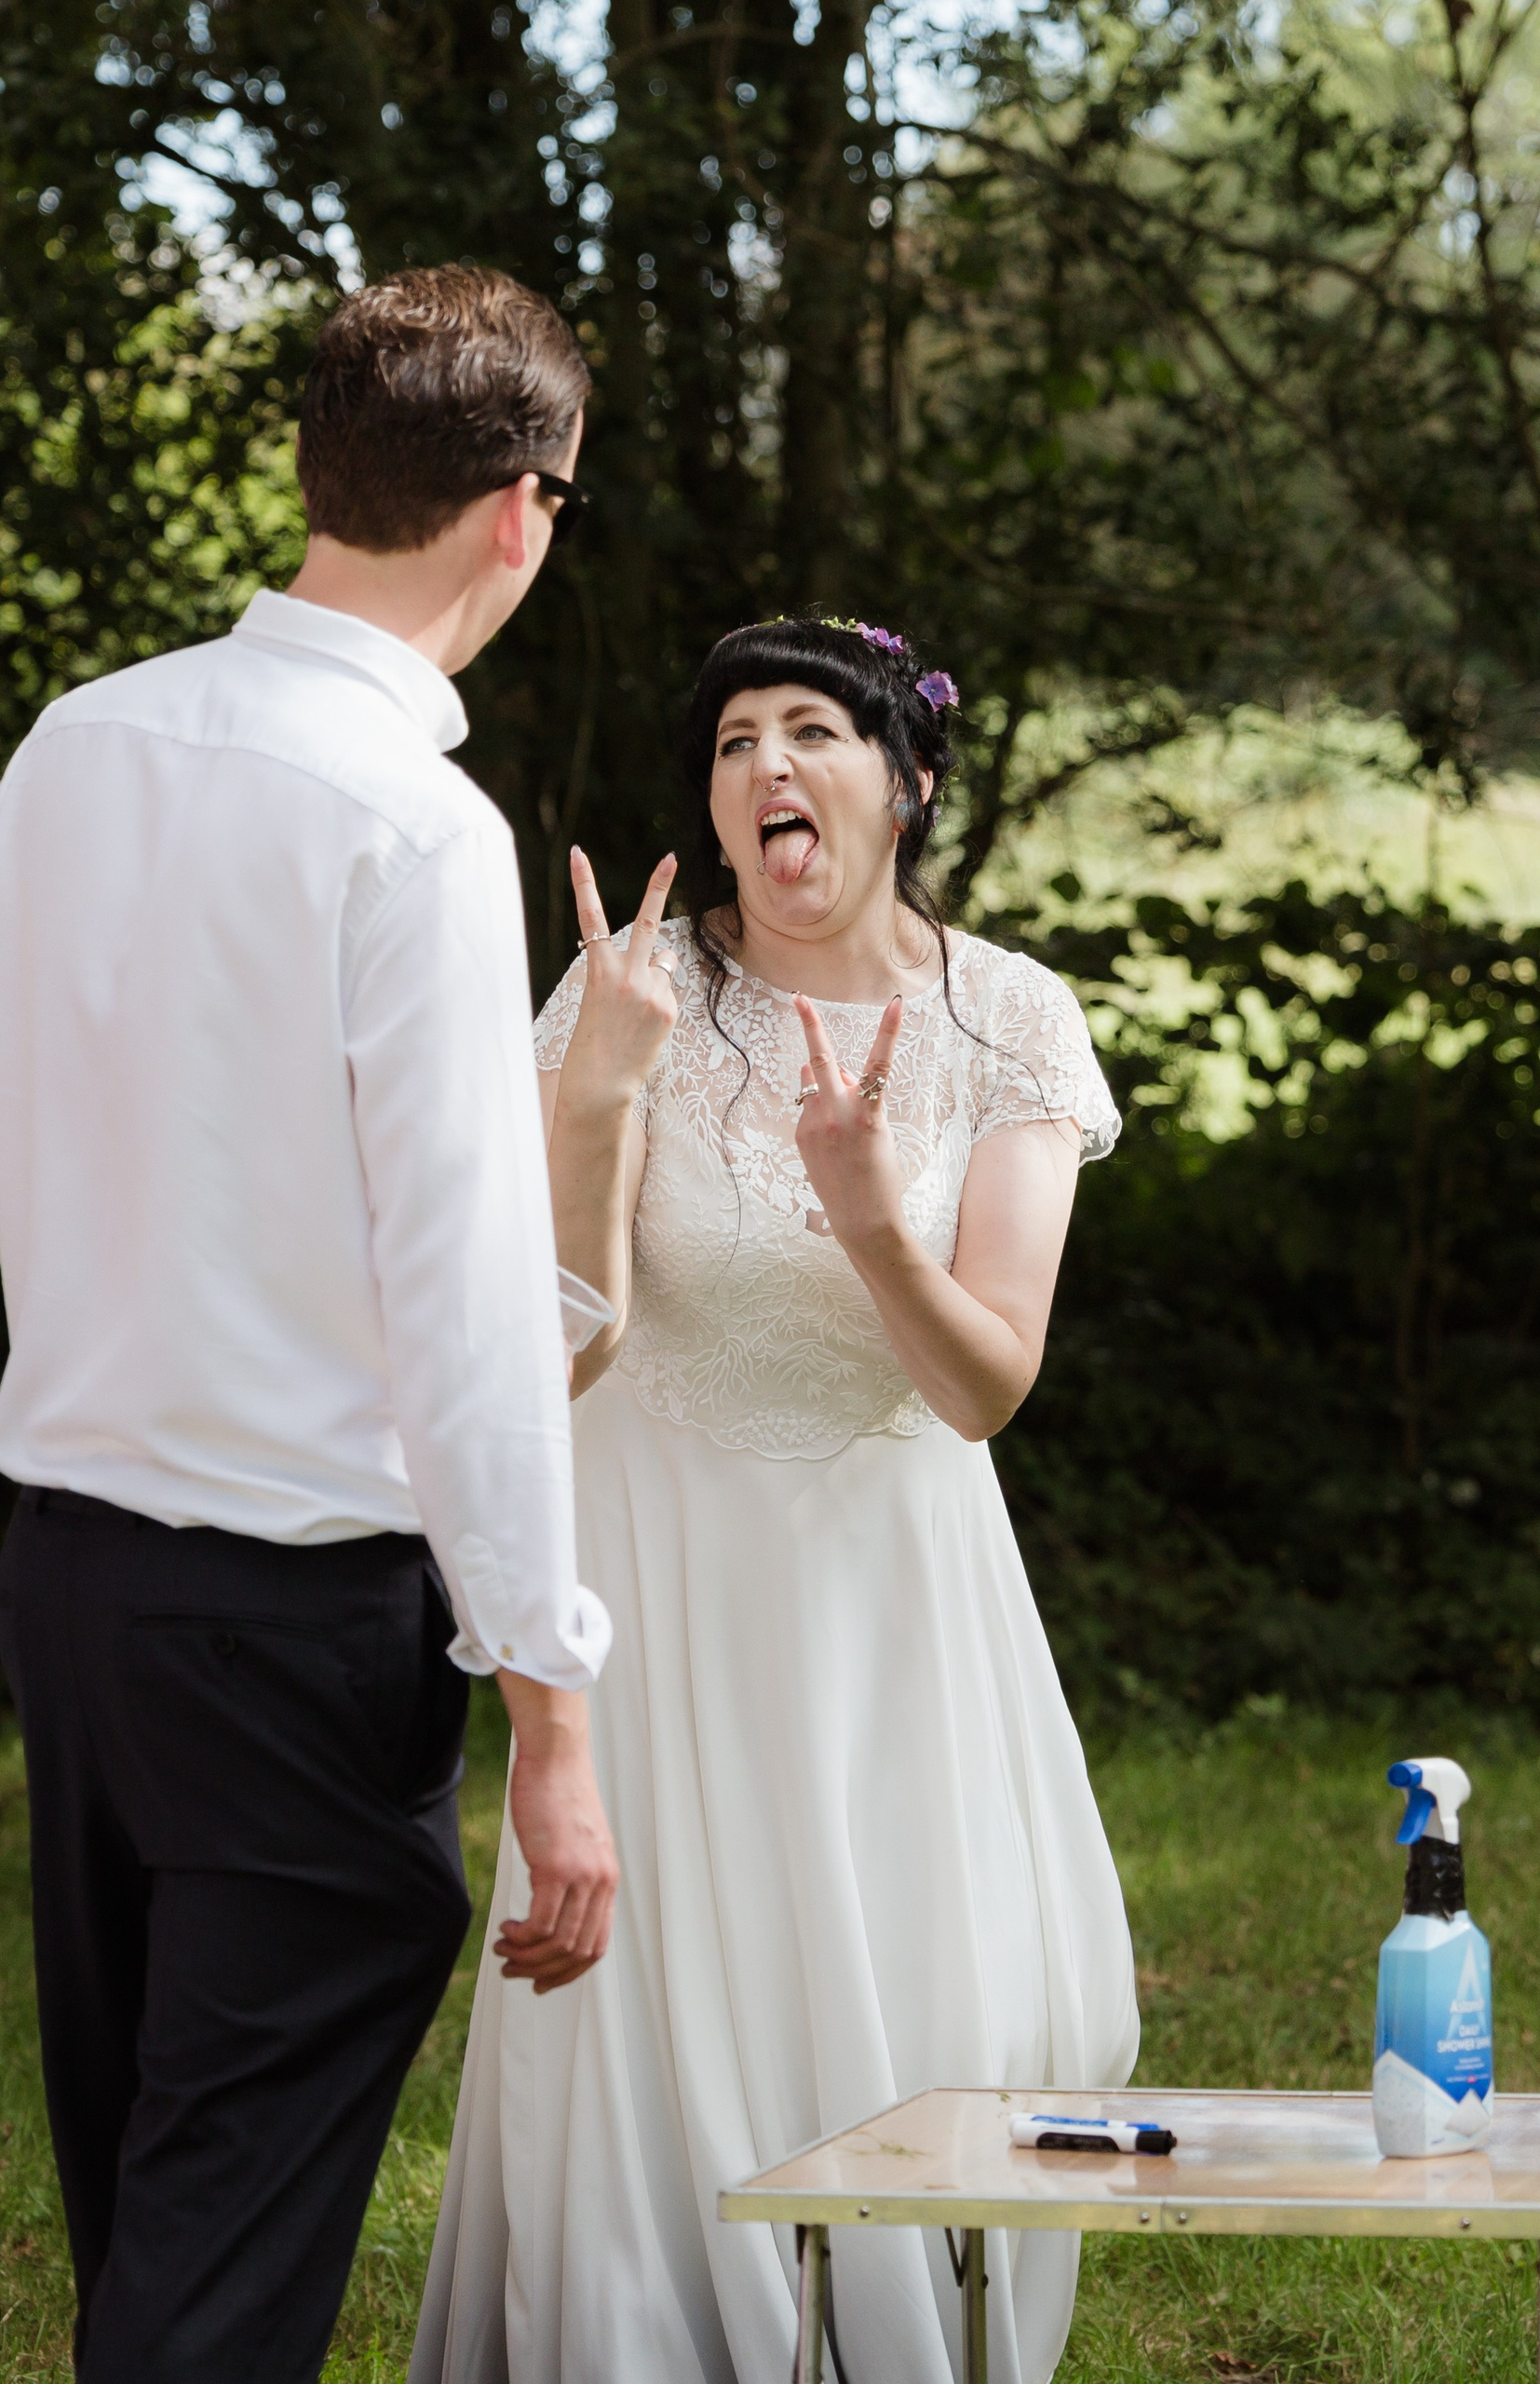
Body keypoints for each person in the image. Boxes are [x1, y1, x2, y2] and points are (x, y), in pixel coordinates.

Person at [0, 265, 622, 2384]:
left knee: (152, 2198)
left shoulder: (75, 742)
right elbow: (473, 1318)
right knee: (212, 2260)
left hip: (70, 1589)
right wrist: (555, 1718)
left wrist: (180, 1226)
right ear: (518, 511)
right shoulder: (414, 825)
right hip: (296, 1627)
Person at [413, 616, 1141, 2384]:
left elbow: (983, 1387)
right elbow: (557, 1357)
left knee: (923, 2002)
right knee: (655, 2041)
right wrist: (595, 1101)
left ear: (904, 783)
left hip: (898, 1601)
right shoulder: (631, 988)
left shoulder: (1009, 1016)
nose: (765, 769)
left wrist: (872, 1215)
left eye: (810, 730)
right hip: (659, 1589)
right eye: (734, 742)